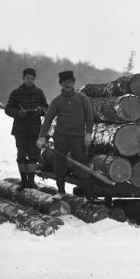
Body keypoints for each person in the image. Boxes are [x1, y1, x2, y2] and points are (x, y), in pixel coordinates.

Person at [36, 71, 94, 200]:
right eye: (64, 82)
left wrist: (88, 134)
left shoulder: (82, 98)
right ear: (61, 84)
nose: (67, 84)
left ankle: (89, 196)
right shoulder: (57, 101)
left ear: (73, 82)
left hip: (78, 138)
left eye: (70, 81)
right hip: (61, 138)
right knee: (59, 165)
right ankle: (61, 191)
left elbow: (89, 117)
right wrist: (42, 136)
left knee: (81, 165)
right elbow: (48, 119)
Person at [5, 68, 48, 190]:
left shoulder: (39, 93)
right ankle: (23, 181)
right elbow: (7, 109)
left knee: (34, 156)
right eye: (28, 78)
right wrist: (18, 113)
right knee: (21, 155)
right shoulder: (16, 93)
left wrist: (41, 110)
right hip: (20, 129)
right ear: (23, 79)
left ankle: (31, 181)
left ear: (35, 79)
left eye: (32, 78)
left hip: (35, 129)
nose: (30, 80)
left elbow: (46, 107)